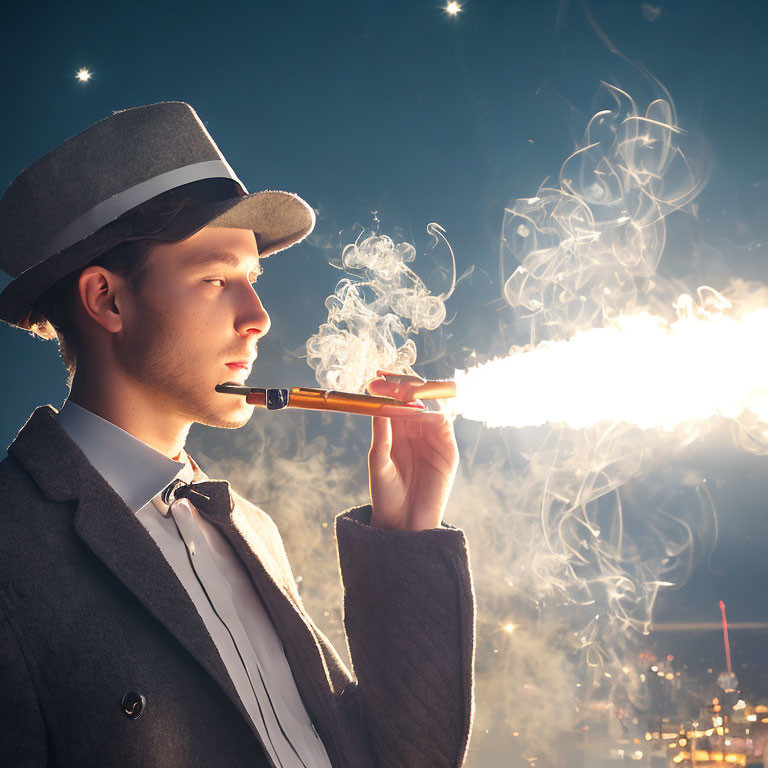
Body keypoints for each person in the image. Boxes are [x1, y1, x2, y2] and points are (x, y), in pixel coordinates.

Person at [0, 101, 475, 767]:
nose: (258, 317)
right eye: (216, 280)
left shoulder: (249, 529)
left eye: (252, 281)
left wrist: (407, 534)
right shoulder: (12, 549)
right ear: (107, 299)